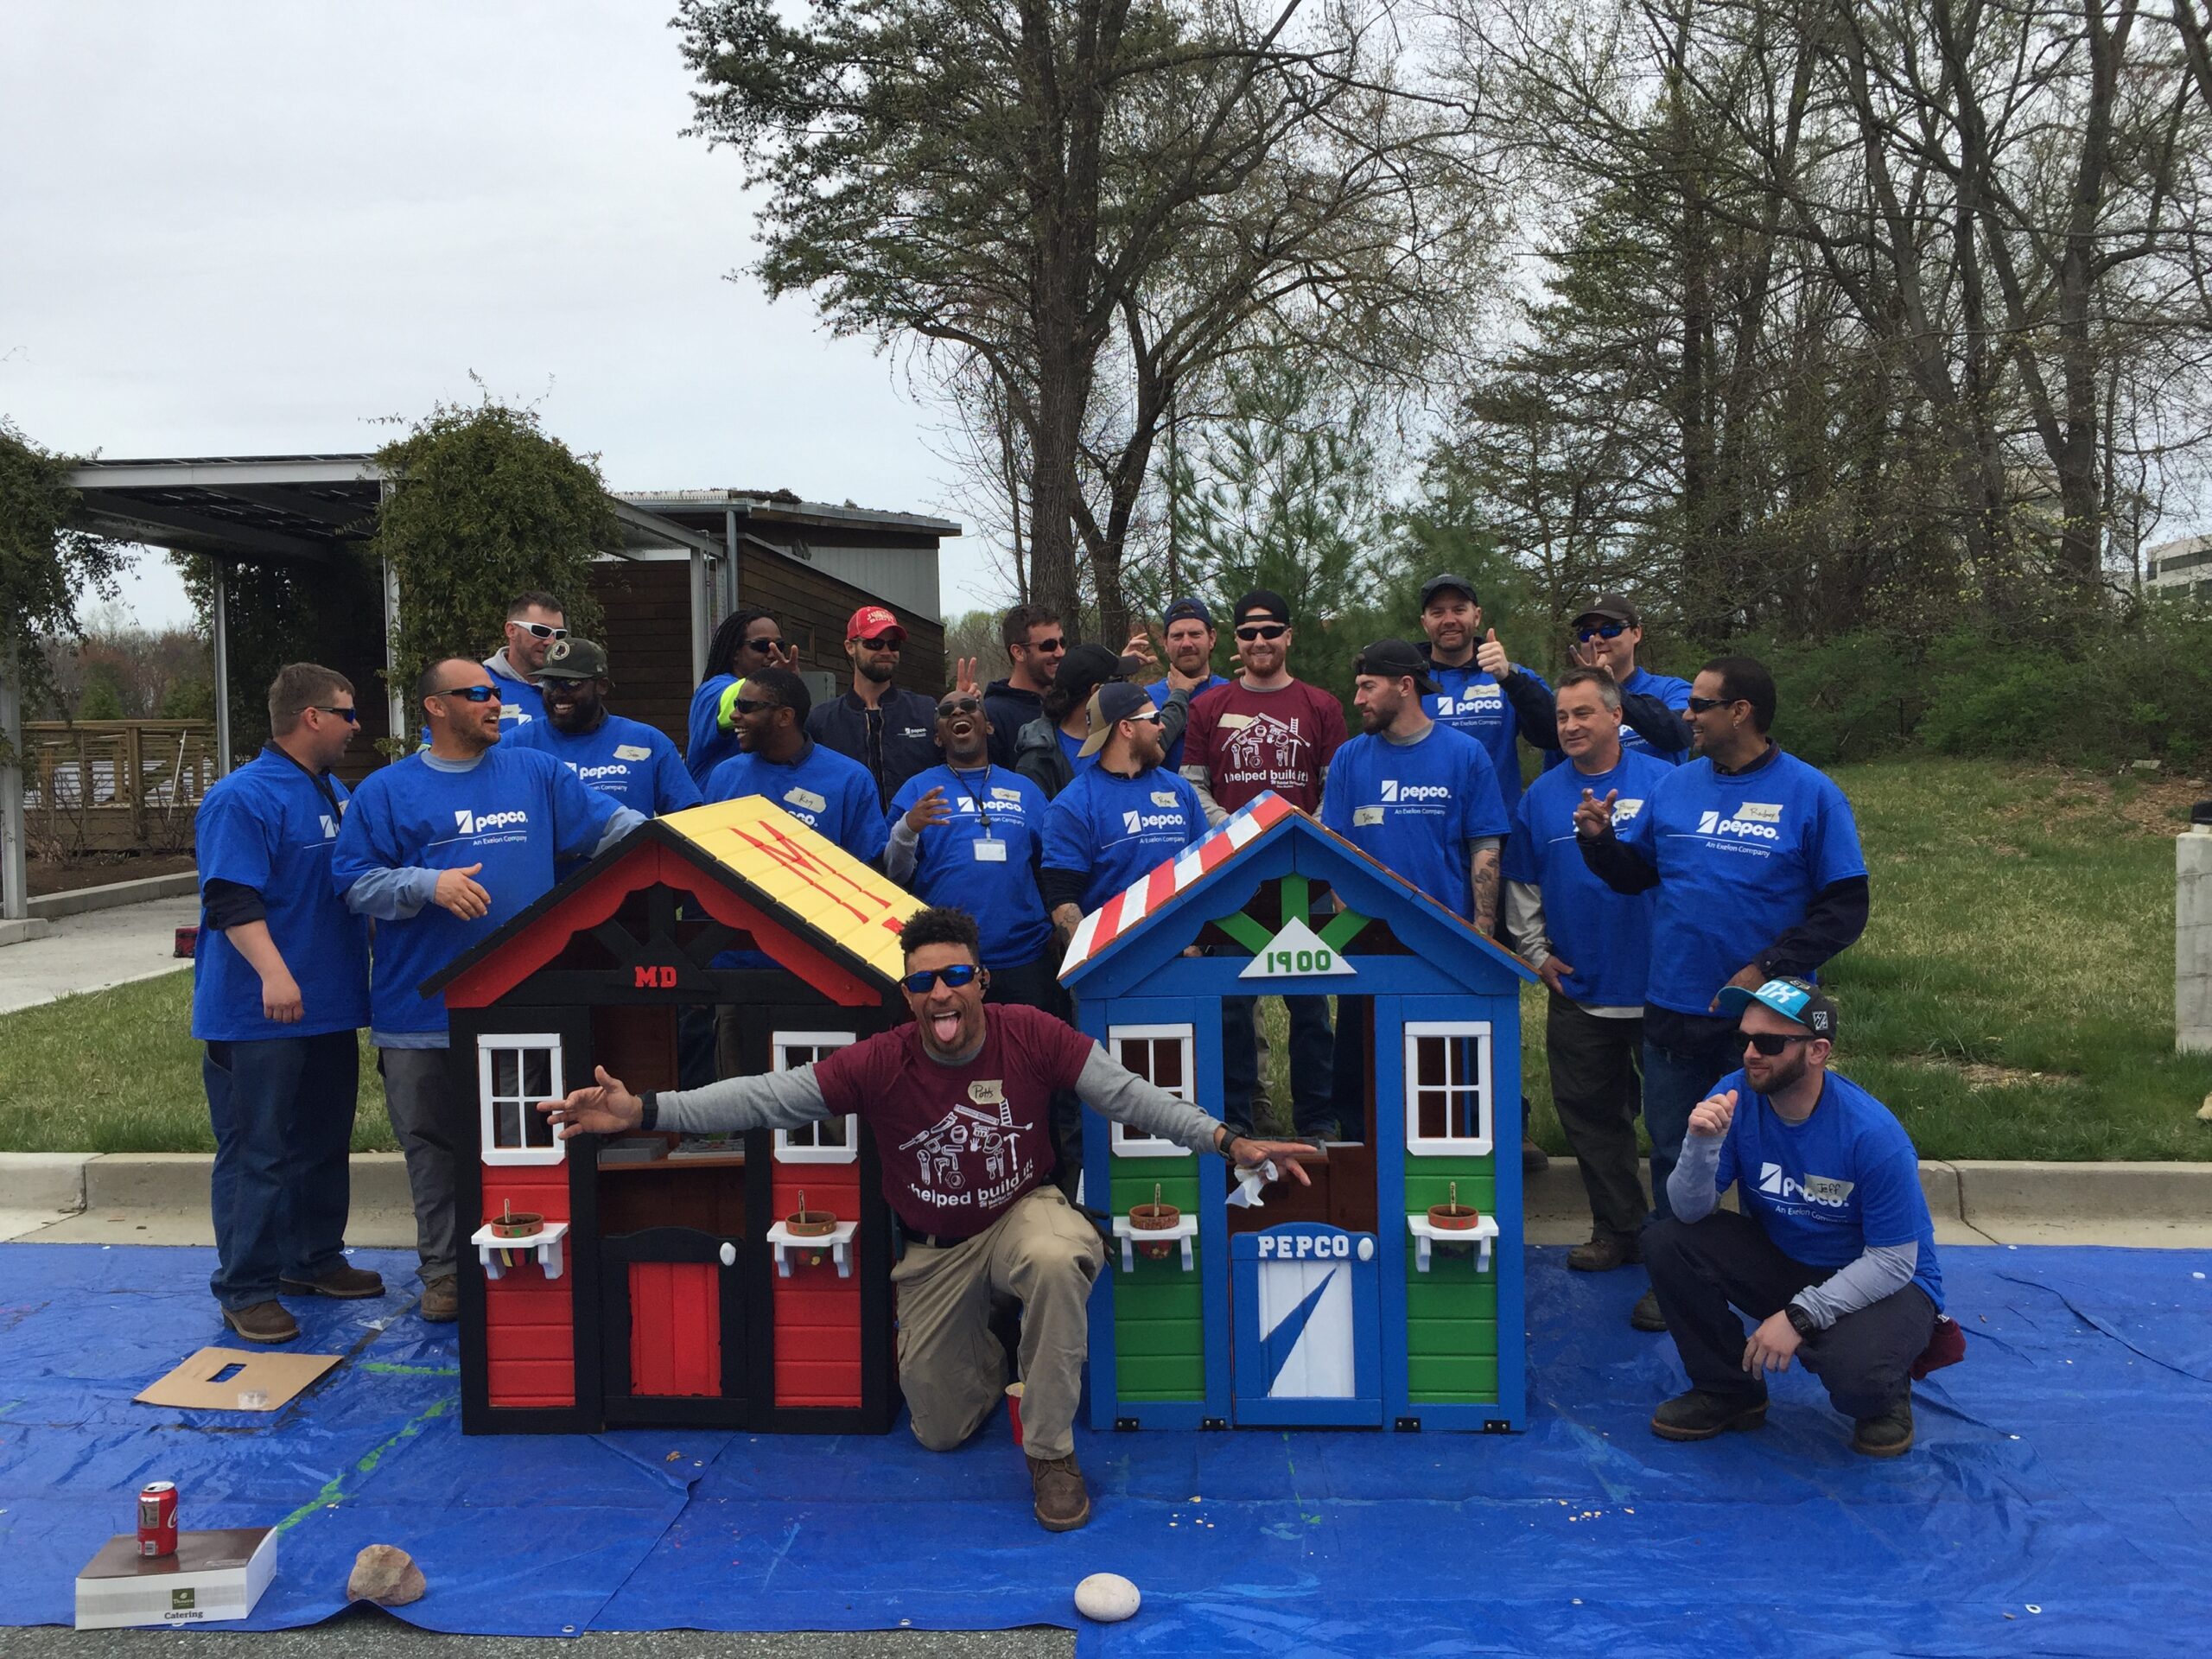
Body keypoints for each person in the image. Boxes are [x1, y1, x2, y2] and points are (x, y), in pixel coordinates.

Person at [537, 906, 1318, 1530]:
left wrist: (1229, 1141)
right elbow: (767, 1097)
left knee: (1056, 1258)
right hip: (935, 1251)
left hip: (1021, 1213)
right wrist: (645, 1110)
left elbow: (1128, 1095)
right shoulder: (881, 1060)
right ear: (907, 994)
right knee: (939, 1429)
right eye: (922, 982)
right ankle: (995, 1345)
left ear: (982, 980)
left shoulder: (1031, 1033)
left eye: (955, 976)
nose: (940, 994)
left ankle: (1050, 1453)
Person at [333, 659, 641, 1322]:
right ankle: (445, 1275)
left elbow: (619, 830)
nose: (495, 702)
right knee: (433, 1150)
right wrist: (427, 885)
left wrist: (693, 847)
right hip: (420, 1012)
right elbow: (354, 884)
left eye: (497, 692)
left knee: (531, 1143)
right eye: (478, 694)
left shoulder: (538, 774)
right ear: (435, 707)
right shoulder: (385, 792)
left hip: (524, 1008)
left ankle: (533, 1265)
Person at [1575, 655, 1870, 1332]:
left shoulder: (1812, 794)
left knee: (1777, 1156)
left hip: (1771, 1022)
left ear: (1741, 712)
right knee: (1676, 1150)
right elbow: (1636, 875)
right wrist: (1600, 844)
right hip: (1676, 1007)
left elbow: (1845, 908)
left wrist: (1768, 967)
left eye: (1700, 705)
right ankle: (1677, 1278)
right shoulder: (1676, 787)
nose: (1687, 715)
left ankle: (1786, 1284)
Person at [1646, 978, 1938, 1459]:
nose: (1750, 1054)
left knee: (1857, 1378)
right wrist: (1700, 1147)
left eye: (1769, 1042)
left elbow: (1893, 1262)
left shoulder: (1873, 1134)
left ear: (1817, 1051)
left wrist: (1799, 1316)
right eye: (1744, 1039)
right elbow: (1689, 1211)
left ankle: (1886, 1391)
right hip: (1790, 1258)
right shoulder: (1734, 1096)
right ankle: (1729, 1391)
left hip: (1886, 1282)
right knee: (1667, 1240)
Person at [190, 664, 379, 1344]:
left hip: (328, 1006)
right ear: (312, 717)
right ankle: (246, 1288)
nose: (357, 726)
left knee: (322, 1142)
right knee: (258, 1151)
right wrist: (273, 973)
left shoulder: (332, 790)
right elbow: (229, 897)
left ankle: (313, 1259)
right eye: (348, 713)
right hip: (259, 1013)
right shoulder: (241, 798)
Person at [1505, 667, 1670, 1272]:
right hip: (1580, 989)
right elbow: (1522, 883)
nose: (1570, 726)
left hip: (1663, 988)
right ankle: (1618, 1230)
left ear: (1616, 716)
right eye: (1561, 717)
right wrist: (1535, 953)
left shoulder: (1665, 783)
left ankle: (1677, 1246)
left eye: (1582, 713)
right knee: (1592, 1121)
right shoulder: (1541, 796)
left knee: (1675, 1127)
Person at [1320, 641, 1510, 1141]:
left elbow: (1485, 846)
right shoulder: (1348, 759)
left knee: (1445, 1068)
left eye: (1368, 687)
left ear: (1405, 686)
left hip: (1444, 942)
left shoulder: (1464, 754)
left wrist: (1481, 931)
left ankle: (1452, 1159)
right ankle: (1362, 1157)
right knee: (1362, 1072)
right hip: (1368, 948)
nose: (1357, 699)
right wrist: (1353, 931)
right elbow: (1335, 852)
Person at [889, 692, 1078, 1187]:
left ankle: (1046, 1181)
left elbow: (1052, 866)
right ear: (938, 736)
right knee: (947, 1073)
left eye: (969, 708)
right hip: (948, 972)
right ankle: (958, 1178)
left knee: (1035, 1072)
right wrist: (907, 829)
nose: (958, 713)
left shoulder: (1026, 791)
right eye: (946, 710)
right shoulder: (919, 790)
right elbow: (893, 874)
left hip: (1025, 958)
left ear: (988, 726)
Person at [1179, 590, 1344, 1141]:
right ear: (1236, 640)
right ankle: (1239, 1121)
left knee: (1311, 1006)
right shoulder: (1209, 707)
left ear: (1288, 636)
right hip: (1234, 879)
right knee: (1232, 1005)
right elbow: (1192, 787)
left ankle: (1318, 1120)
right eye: (1248, 633)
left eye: (1270, 631)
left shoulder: (1321, 706)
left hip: (1306, 877)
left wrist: (1300, 837)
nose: (1259, 641)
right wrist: (1238, 832)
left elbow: (1335, 788)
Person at [702, 666, 889, 1077]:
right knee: (738, 1097)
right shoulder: (725, 777)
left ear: (785, 716)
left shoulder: (848, 778)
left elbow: (870, 873)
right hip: (738, 966)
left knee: (821, 1096)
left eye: (747, 706)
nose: (734, 715)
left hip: (819, 964)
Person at [1040, 683, 1211, 927]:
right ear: (1126, 728)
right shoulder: (1073, 806)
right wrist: (1095, 953)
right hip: (1115, 948)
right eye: (1154, 718)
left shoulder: (1179, 789)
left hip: (1185, 942)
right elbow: (1063, 901)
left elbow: (1205, 865)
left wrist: (1197, 940)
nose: (1162, 726)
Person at [507, 638, 702, 834]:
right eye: (550, 683)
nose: (557, 693)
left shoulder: (648, 742)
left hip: (630, 854)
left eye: (571, 683)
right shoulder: (514, 745)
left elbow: (690, 821)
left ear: (602, 685)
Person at [1412, 575, 1554, 817]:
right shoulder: (1407, 682)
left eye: (1459, 610)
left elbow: (1552, 735)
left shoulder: (1509, 676)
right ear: (1425, 623)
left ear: (1477, 616)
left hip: (1496, 824)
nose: (1449, 620)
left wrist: (1509, 679)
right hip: (1428, 822)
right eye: (1438, 613)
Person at [806, 604, 943, 811]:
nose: (886, 652)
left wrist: (964, 714)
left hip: (918, 829)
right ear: (850, 647)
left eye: (893, 644)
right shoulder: (822, 720)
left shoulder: (925, 710)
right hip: (849, 831)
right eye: (874, 643)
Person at [1564, 593, 1694, 762]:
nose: (1597, 640)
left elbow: (1680, 734)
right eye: (1587, 633)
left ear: (1636, 633)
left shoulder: (1673, 689)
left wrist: (1610, 690)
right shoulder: (1566, 700)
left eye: (1610, 629)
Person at [687, 607, 799, 786]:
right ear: (735, 652)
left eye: (779, 646)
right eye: (761, 646)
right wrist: (773, 679)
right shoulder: (711, 691)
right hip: (718, 801)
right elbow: (738, 699)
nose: (772, 654)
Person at [1014, 642, 1122, 799]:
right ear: (1096, 692)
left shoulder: (1126, 734)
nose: (1127, 688)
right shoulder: (1038, 761)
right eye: (1120, 682)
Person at [1147, 596, 1230, 774]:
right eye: (1177, 636)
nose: (1186, 644)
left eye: (1195, 634)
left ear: (1212, 638)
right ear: (1165, 643)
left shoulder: (1230, 695)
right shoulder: (1145, 701)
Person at [983, 604, 1065, 769]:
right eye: (1048, 645)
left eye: (1062, 643)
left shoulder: (1068, 703)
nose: (1060, 653)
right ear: (1018, 652)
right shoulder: (992, 714)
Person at [482, 591, 567, 731]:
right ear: (511, 630)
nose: (551, 642)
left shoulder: (571, 689)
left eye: (559, 634)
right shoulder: (478, 688)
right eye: (540, 631)